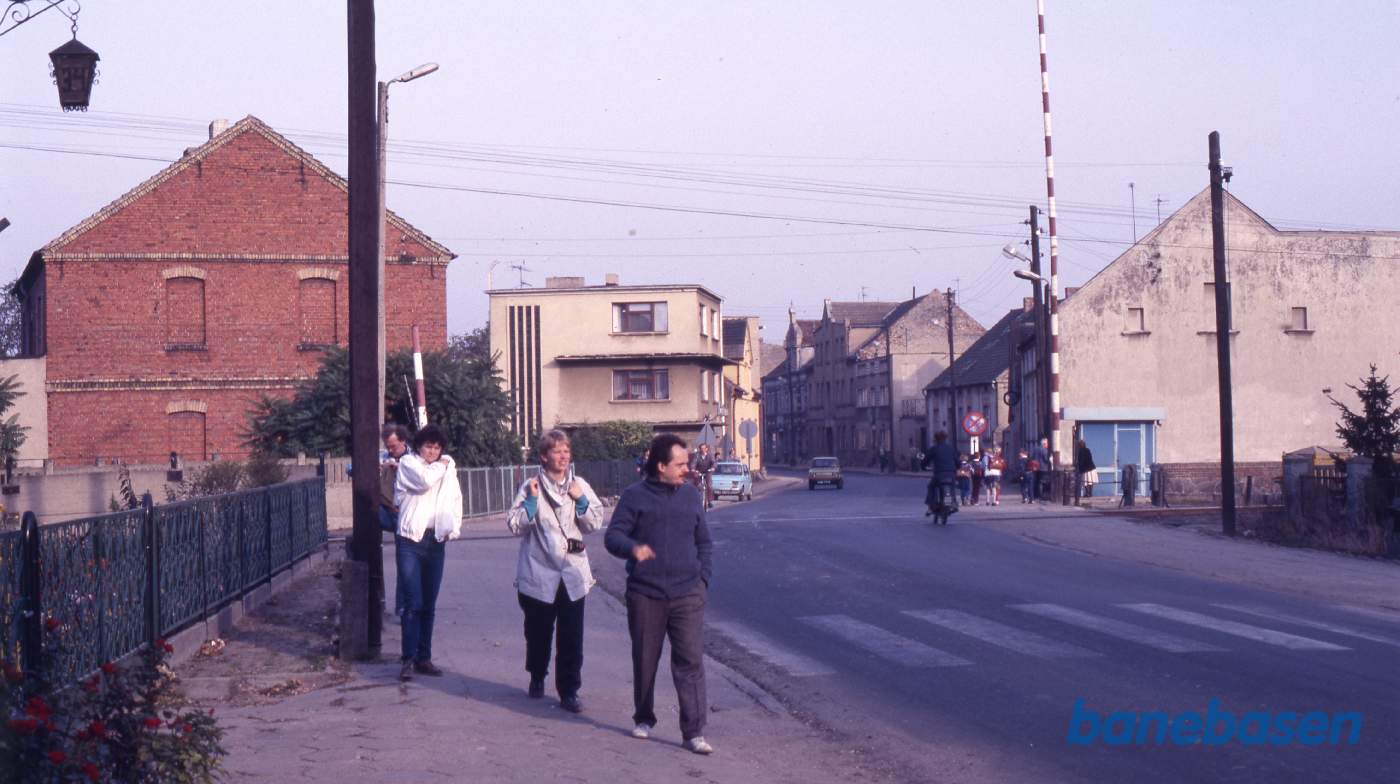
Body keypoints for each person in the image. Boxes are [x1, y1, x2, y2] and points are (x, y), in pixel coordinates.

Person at [605, 433, 715, 755]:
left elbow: (704, 542)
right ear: (661, 466)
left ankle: (693, 732)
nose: (687, 469)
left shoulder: (691, 496)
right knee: (645, 658)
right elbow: (613, 536)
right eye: (680, 464)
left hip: (687, 593)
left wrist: (702, 580)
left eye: (687, 463)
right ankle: (643, 718)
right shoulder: (634, 496)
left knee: (690, 661)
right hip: (646, 593)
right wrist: (632, 548)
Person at [506, 429, 604, 713]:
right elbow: (514, 525)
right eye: (557, 451)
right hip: (539, 571)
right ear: (543, 456)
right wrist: (531, 503)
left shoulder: (579, 484)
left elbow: (595, 523)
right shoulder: (531, 486)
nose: (563, 456)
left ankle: (569, 690)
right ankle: (537, 674)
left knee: (571, 636)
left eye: (566, 451)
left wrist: (581, 501)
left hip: (572, 572)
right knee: (538, 633)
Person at [393, 425, 463, 682]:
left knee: (429, 604)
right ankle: (407, 659)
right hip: (410, 540)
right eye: (428, 447)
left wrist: (453, 528)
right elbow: (424, 481)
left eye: (437, 448)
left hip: (435, 541)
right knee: (413, 601)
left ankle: (424, 658)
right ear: (418, 447)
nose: (432, 452)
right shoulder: (409, 463)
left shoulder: (447, 466)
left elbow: (455, 498)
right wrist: (442, 465)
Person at [380, 424, 411, 616]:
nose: (390, 450)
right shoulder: (384, 456)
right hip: (384, 509)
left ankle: (402, 607)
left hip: (403, 513)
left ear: (403, 441)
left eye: (394, 446)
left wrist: (401, 467)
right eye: (388, 446)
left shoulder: (413, 459)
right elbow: (350, 468)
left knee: (404, 562)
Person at [920, 431, 959, 515]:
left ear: (936, 439)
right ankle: (953, 504)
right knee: (951, 488)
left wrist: (923, 466)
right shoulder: (951, 448)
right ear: (945, 439)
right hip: (951, 473)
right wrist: (957, 467)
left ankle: (931, 506)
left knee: (931, 487)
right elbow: (957, 461)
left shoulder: (934, 449)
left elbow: (926, 460)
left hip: (939, 474)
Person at [690, 442, 717, 509]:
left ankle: (710, 501)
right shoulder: (697, 455)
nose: (702, 450)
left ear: (706, 449)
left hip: (708, 472)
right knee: (698, 486)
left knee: (709, 486)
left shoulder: (710, 455)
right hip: (699, 471)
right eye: (701, 448)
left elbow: (714, 463)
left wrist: (713, 468)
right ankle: (697, 499)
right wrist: (693, 469)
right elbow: (693, 463)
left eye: (704, 448)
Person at [1031, 437, 1051, 502]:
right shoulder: (1045, 450)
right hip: (1043, 468)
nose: (1048, 445)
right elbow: (1046, 459)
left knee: (1035, 481)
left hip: (1035, 467)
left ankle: (1035, 495)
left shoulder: (1035, 449)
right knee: (1041, 482)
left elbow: (1032, 457)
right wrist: (1050, 460)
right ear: (1044, 444)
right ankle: (1041, 496)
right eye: (1047, 443)